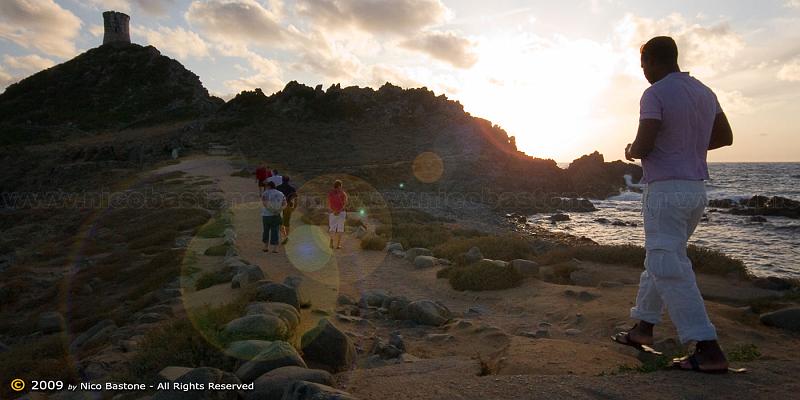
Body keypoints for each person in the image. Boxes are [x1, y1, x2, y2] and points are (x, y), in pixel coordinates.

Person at [613, 36, 734, 373]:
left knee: (665, 261)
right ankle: (643, 329)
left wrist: (630, 150)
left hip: (666, 190)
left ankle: (706, 348)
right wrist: (687, 145)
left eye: (644, 66)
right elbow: (725, 136)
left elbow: (645, 143)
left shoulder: (655, 93)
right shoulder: (704, 92)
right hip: (695, 190)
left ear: (652, 61)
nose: (644, 73)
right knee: (664, 256)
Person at [261, 181, 287, 253]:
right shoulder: (281, 193)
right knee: (275, 231)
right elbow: (285, 204)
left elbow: (264, 203)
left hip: (266, 215)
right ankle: (275, 248)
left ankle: (265, 247)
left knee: (266, 230)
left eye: (266, 186)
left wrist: (271, 210)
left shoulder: (265, 193)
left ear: (269, 186)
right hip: (277, 215)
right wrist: (278, 211)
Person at [327, 180, 348, 250]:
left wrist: (333, 211)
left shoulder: (330, 193)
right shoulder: (343, 193)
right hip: (341, 213)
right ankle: (338, 245)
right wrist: (339, 211)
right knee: (340, 228)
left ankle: (331, 244)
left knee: (332, 228)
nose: (340, 188)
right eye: (340, 186)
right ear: (339, 186)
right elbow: (345, 204)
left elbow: (329, 204)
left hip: (333, 213)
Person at [277, 176, 298, 244]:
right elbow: (295, 198)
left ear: (282, 180)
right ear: (288, 180)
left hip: (279, 206)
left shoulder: (278, 187)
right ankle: (286, 236)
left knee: (278, 222)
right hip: (288, 205)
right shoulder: (292, 188)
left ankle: (285, 235)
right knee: (286, 222)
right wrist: (294, 206)